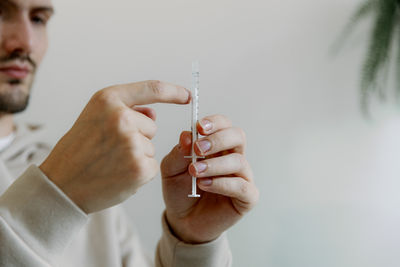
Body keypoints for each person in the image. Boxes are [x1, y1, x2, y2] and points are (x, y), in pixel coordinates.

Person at [0, 0, 259, 266]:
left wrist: (193, 243)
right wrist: (56, 197)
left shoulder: (85, 186)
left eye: (38, 18)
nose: (25, 42)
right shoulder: (70, 179)